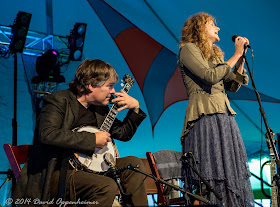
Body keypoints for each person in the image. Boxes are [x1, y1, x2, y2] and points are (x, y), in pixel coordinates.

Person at [13, 59, 149, 206]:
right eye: (109, 86)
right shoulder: (58, 100)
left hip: (92, 170)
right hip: (58, 173)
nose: (113, 91)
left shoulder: (99, 108)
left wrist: (135, 109)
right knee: (106, 185)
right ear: (91, 85)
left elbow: (123, 134)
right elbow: (47, 134)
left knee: (133, 164)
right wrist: (92, 140)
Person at [178, 12, 254, 206]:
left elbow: (232, 86)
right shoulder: (188, 49)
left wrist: (240, 61)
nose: (218, 28)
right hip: (205, 116)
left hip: (224, 117)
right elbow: (209, 76)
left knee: (229, 175)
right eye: (213, 24)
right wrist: (235, 54)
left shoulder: (216, 55)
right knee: (209, 177)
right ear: (200, 28)